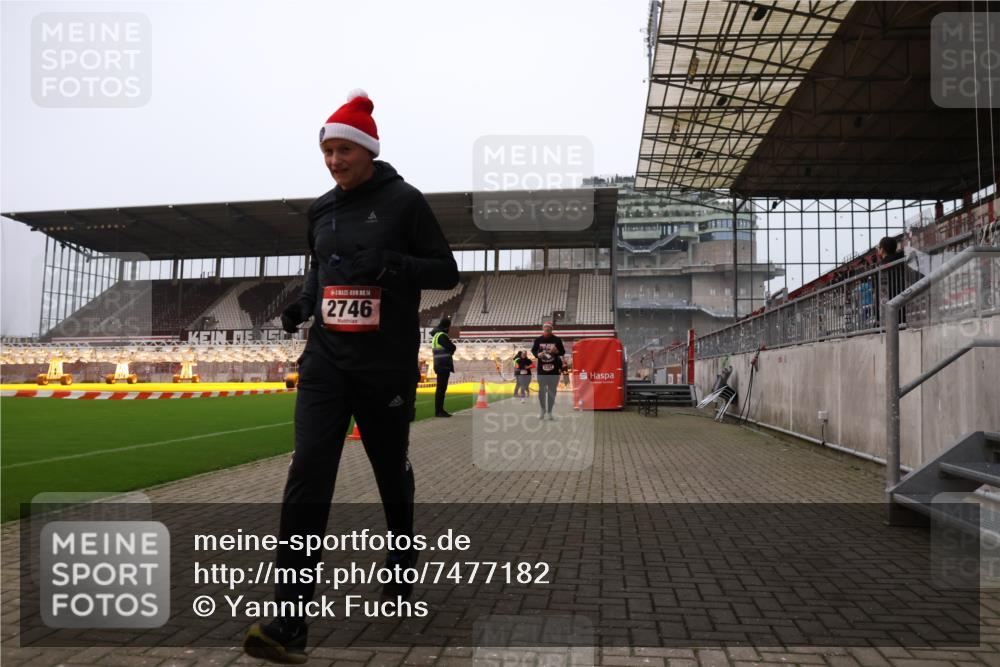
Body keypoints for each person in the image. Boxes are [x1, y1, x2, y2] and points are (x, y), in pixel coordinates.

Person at [243, 90, 459, 665]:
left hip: (383, 365)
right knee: (308, 473)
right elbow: (320, 270)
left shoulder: (405, 202)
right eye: (326, 151)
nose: (334, 160)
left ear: (367, 150)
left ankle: (400, 568)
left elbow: (446, 270)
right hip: (326, 363)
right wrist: (301, 306)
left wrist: (389, 266)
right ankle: (288, 623)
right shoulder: (321, 210)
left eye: (343, 149)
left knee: (391, 471)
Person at [531, 322, 566, 420]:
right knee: (541, 391)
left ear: (551, 330)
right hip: (542, 371)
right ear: (543, 329)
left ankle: (550, 411)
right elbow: (533, 350)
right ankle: (542, 410)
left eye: (549, 329)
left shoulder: (557, 340)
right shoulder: (538, 340)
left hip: (554, 371)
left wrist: (556, 351)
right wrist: (538, 355)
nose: (547, 330)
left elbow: (563, 352)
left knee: (552, 392)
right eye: (545, 329)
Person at [430, 316, 456, 417]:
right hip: (443, 365)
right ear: (446, 327)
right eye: (449, 327)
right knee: (441, 389)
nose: (449, 329)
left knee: (440, 389)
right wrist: (452, 350)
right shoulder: (441, 336)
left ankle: (439, 410)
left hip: (439, 364)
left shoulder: (436, 336)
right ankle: (439, 411)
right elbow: (452, 347)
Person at [535, 350, 563, 420]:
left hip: (553, 376)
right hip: (542, 376)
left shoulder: (556, 356)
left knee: (552, 394)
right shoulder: (540, 354)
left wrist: (559, 372)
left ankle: (550, 412)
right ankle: (543, 409)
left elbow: (560, 366)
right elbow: (535, 355)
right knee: (541, 393)